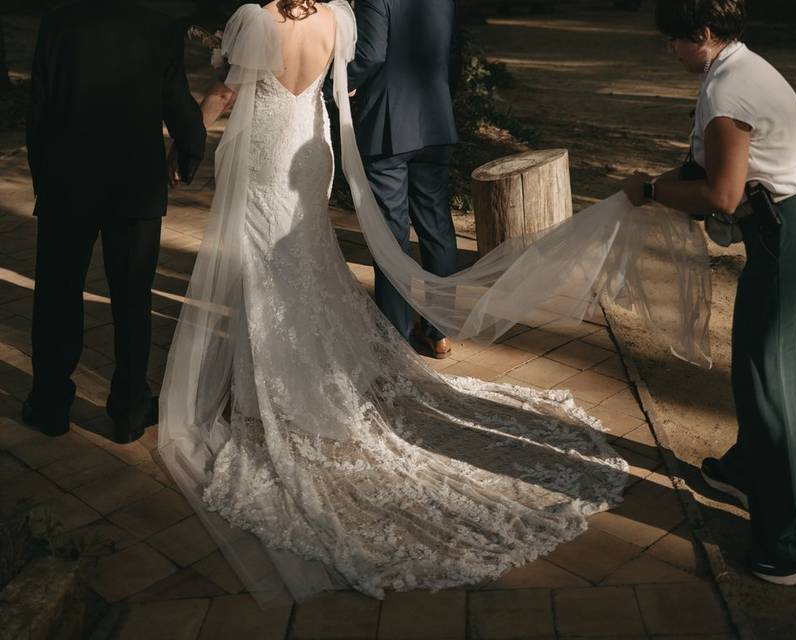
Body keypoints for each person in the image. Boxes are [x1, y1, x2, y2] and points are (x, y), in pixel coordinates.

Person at [160, 0, 628, 602]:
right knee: (304, 255)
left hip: (269, 150)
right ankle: (372, 347)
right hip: (315, 147)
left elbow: (227, 93)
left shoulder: (253, 18)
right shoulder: (337, 16)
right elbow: (351, 77)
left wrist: (187, 132)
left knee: (267, 261)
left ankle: (273, 383)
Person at [623, 0, 796, 585]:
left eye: (674, 40)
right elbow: (709, 171)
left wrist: (650, 190)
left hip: (790, 244)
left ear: (701, 33)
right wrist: (665, 183)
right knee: (775, 373)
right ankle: (750, 471)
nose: (669, 51)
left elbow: (723, 197)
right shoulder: (740, 68)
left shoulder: (726, 91)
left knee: (772, 382)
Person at [25, 0, 205, 443]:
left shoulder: (58, 23)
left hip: (67, 185)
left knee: (57, 296)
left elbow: (39, 109)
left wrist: (43, 180)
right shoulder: (160, 28)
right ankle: (128, 412)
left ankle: (50, 407)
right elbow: (179, 105)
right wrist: (188, 155)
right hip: (136, 188)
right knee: (131, 301)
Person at [348, 0, 460, 359]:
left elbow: (370, 56)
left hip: (388, 126)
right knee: (437, 227)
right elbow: (452, 55)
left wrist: (335, 84)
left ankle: (394, 334)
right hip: (436, 119)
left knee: (391, 233)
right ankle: (439, 332)